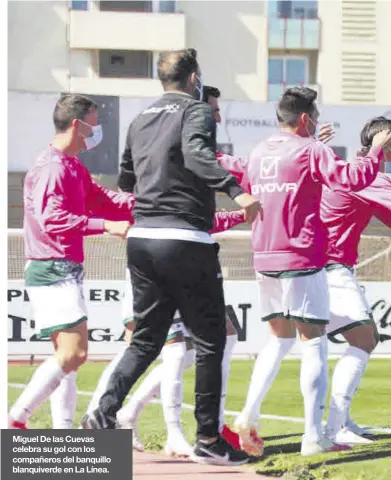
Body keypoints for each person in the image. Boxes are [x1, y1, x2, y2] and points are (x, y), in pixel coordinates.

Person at [230, 116, 391, 449]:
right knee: (362, 338)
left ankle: (290, 418)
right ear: (386, 141)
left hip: (305, 264)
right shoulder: (366, 176)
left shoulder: (360, 175)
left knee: (285, 341)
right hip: (328, 267)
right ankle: (333, 427)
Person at [81, 49, 261, 468]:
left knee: (146, 340)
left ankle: (102, 412)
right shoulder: (195, 110)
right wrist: (238, 191)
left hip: (143, 238)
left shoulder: (139, 119)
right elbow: (199, 155)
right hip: (184, 239)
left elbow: (127, 177)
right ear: (194, 77)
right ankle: (210, 440)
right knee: (211, 340)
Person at [228, 86, 391, 456]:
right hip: (302, 257)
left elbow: (239, 172)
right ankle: (312, 437)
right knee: (314, 342)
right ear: (306, 119)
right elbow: (350, 179)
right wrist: (375, 150)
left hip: (264, 257)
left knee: (279, 339)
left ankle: (249, 414)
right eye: (315, 117)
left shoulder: (259, 151)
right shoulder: (311, 149)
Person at [8, 94, 133, 430]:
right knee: (74, 354)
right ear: (78, 124)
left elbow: (101, 199)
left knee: (67, 359)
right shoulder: (52, 167)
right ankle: (14, 420)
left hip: (61, 266)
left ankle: (62, 432)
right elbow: (53, 219)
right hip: (52, 266)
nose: (98, 129)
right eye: (95, 121)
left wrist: (146, 203)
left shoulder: (71, 165)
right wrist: (105, 226)